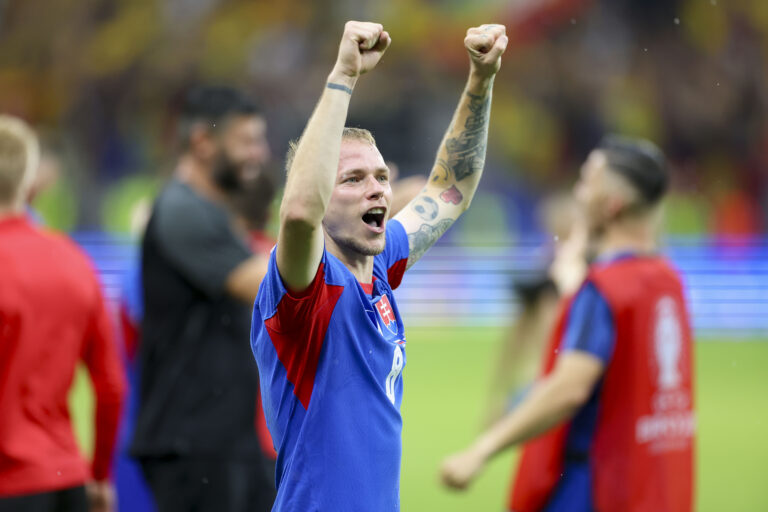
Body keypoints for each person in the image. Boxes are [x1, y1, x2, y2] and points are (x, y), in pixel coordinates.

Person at [250, 20, 508, 511]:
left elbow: (449, 188)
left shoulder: (379, 260)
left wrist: (481, 78)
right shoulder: (307, 290)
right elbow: (300, 210)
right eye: (352, 179)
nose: (378, 189)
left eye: (381, 176)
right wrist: (344, 74)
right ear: (324, 195)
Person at [440, 136, 695, 512]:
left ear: (611, 205)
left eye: (587, 181)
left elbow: (570, 387)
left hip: (597, 486)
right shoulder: (667, 281)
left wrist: (481, 450)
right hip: (654, 484)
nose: (577, 193)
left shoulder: (604, 289)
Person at [129, 86, 275, 512]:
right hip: (191, 443)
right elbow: (267, 285)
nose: (259, 154)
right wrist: (339, 235)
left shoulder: (212, 212)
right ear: (202, 143)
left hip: (223, 439)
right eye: (247, 141)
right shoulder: (181, 210)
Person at [0, 115, 126, 512]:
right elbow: (110, 386)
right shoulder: (73, 261)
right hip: (64, 480)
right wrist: (101, 475)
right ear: (30, 182)